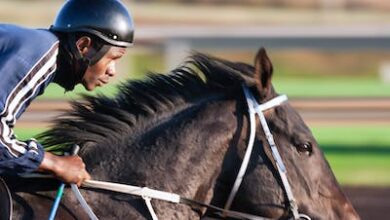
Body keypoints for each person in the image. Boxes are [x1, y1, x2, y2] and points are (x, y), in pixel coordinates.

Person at [0, 0, 134, 187]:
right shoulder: (40, 53)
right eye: (112, 58)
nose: (113, 71)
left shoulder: (38, 46)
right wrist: (55, 164)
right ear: (84, 46)